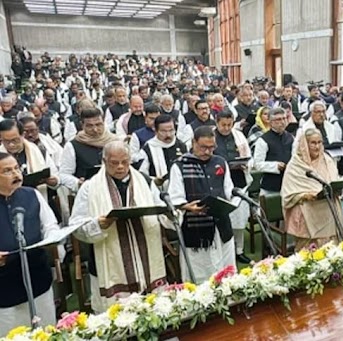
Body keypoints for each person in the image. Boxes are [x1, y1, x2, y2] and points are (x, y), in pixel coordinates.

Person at [70, 141, 167, 313]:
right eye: (114, 163)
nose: (121, 167)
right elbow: (76, 227)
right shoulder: (90, 188)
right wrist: (98, 225)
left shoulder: (145, 182)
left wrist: (166, 213)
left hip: (147, 258)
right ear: (104, 161)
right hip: (109, 258)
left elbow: (161, 210)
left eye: (125, 162)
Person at [168, 126, 236, 283]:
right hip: (196, 228)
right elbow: (175, 198)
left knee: (226, 273)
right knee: (200, 274)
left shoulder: (220, 162)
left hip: (221, 225)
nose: (208, 151)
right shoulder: (179, 165)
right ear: (193, 143)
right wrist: (187, 207)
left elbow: (229, 190)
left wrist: (230, 203)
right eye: (203, 147)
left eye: (212, 147)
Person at [0, 153, 59, 334]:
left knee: (47, 332)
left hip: (38, 279)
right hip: (5, 288)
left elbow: (50, 225)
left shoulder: (32, 195)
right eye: (7, 171)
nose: (16, 174)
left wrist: (52, 238)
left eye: (17, 168)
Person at [281, 128, 342, 250]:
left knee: (331, 252)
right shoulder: (295, 164)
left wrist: (338, 188)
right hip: (306, 210)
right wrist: (304, 195)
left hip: (327, 209)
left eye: (320, 142)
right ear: (305, 144)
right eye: (313, 143)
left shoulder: (327, 159)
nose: (317, 146)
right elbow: (288, 194)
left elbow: (335, 180)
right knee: (309, 256)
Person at [213, 111, 252, 264]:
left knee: (240, 219)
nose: (227, 128)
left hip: (239, 180)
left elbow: (249, 155)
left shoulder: (239, 136)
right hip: (218, 182)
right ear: (217, 122)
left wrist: (246, 163)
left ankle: (239, 250)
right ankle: (224, 252)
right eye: (223, 125)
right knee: (224, 219)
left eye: (229, 125)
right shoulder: (211, 137)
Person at [61, 108, 119, 191]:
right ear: (82, 125)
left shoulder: (115, 141)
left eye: (98, 124)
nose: (95, 129)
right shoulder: (72, 146)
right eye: (90, 126)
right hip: (88, 192)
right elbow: (64, 174)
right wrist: (77, 183)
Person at [253, 108, 294, 194]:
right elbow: (257, 164)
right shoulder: (263, 140)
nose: (282, 122)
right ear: (271, 122)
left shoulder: (290, 137)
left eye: (284, 118)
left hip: (289, 183)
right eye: (278, 119)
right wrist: (275, 166)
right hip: (270, 186)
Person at [140, 114, 186, 186]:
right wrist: (154, 180)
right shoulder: (148, 148)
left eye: (171, 130)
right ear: (155, 130)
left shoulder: (181, 146)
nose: (168, 135)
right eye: (163, 131)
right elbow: (141, 175)